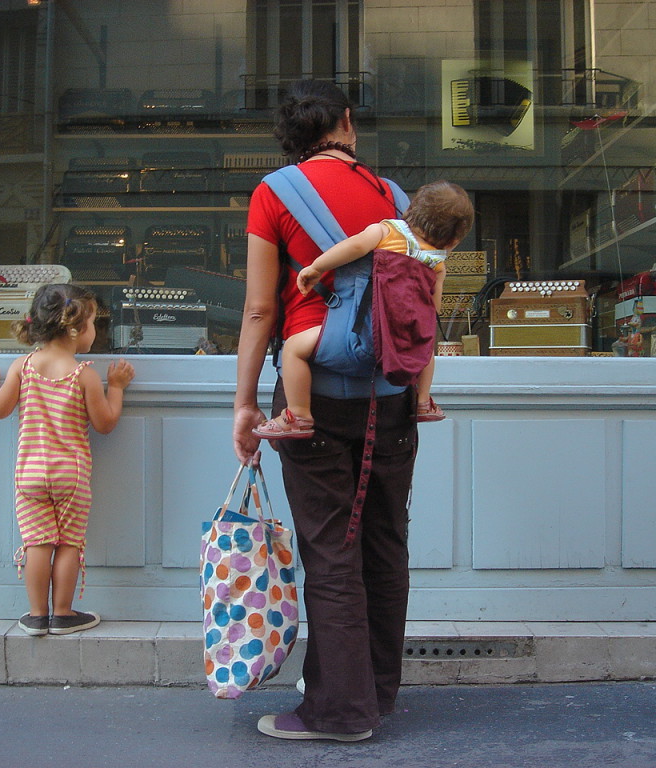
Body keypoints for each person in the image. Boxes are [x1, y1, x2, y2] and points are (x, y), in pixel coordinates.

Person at [233, 79, 418, 741]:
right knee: (384, 542)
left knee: (331, 550)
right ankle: (377, 693)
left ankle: (342, 712)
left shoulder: (273, 193)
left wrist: (245, 403)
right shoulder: (395, 199)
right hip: (392, 397)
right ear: (347, 121)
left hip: (312, 396)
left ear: (292, 137)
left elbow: (260, 309)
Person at [251, 179, 474, 439]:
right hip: (403, 347)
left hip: (362, 335)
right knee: (426, 348)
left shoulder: (388, 231)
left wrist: (316, 268)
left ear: (410, 212)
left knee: (293, 349)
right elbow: (432, 310)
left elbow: (354, 247)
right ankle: (422, 401)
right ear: (454, 241)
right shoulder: (437, 265)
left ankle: (298, 414)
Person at [0, 283, 135, 637]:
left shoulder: (23, 366)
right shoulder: (85, 375)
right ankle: (62, 614)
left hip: (29, 474)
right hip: (71, 476)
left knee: (37, 543)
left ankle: (36, 616)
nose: (96, 332)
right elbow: (105, 423)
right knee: (68, 543)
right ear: (76, 328)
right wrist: (118, 387)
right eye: (94, 323)